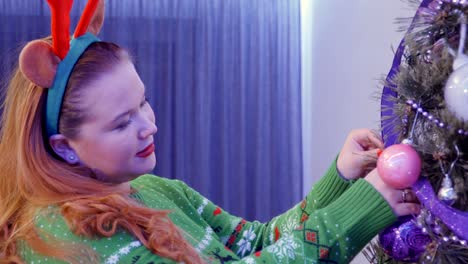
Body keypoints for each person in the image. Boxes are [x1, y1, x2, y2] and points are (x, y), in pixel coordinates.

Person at [0, 1, 420, 263]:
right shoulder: (60, 233)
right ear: (64, 147)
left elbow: (257, 242)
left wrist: (341, 179)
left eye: (142, 102)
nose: (150, 125)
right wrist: (366, 205)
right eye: (122, 122)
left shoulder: (159, 191)